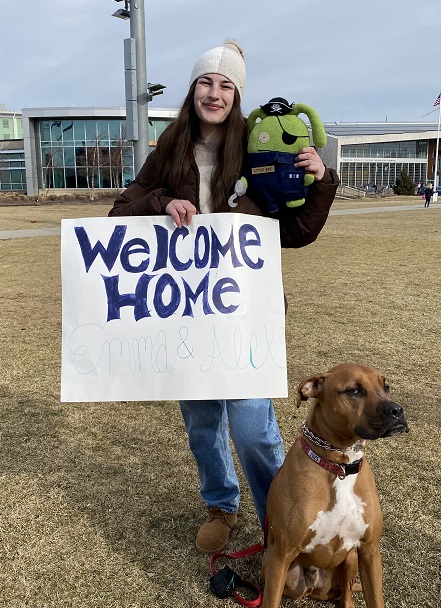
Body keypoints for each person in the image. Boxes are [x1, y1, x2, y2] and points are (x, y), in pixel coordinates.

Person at [108, 40, 339, 554]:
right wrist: (163, 201)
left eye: (227, 84)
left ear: (238, 95)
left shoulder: (258, 145)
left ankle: (280, 520)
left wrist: (321, 181)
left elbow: (296, 232)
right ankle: (221, 503)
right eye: (206, 82)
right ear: (193, 88)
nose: (215, 93)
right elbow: (120, 212)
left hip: (243, 308)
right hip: (186, 307)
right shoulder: (168, 145)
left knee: (253, 425)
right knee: (202, 418)